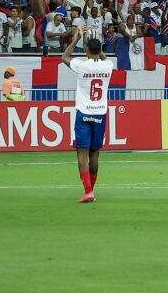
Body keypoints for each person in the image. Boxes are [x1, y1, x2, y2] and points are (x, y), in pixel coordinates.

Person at [61, 26, 113, 204]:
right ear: (100, 51)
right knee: (95, 154)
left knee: (81, 153)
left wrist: (76, 38)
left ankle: (88, 191)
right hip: (100, 113)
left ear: (86, 51)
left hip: (83, 113)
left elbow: (64, 57)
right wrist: (99, 51)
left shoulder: (82, 65)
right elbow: (102, 57)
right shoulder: (108, 65)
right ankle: (92, 190)